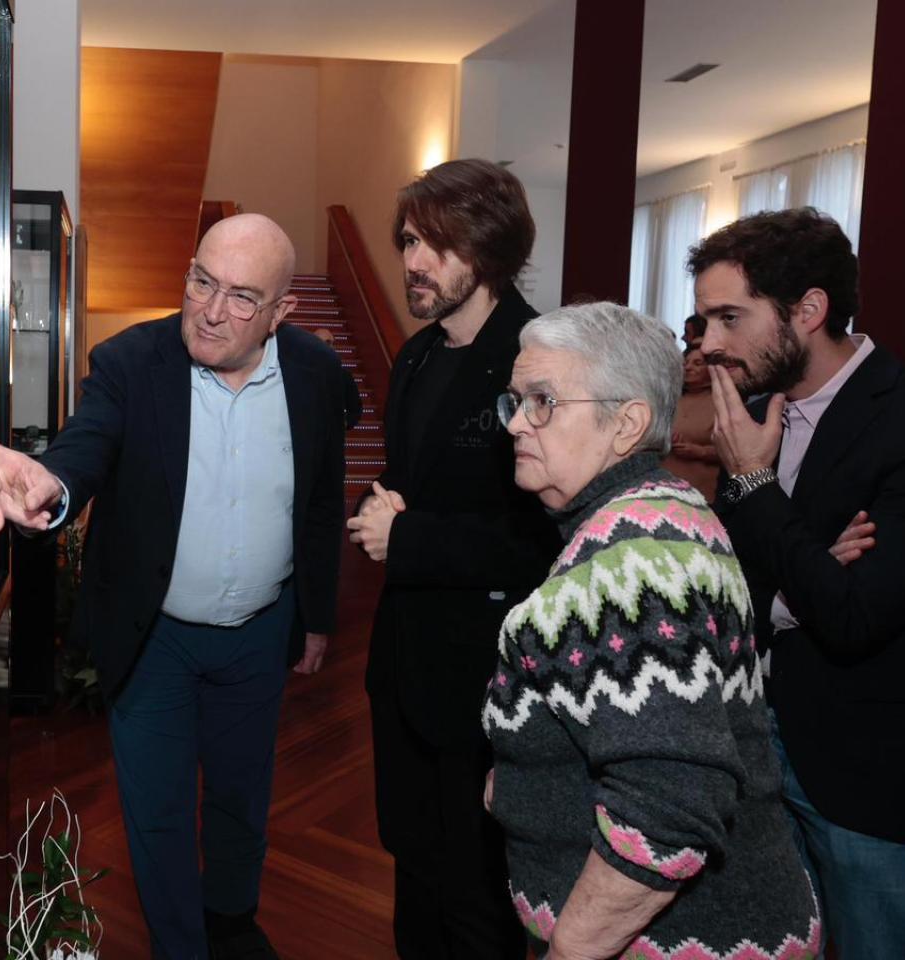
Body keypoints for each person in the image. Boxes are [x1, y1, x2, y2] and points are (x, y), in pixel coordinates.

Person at [0, 213, 346, 960]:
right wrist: (51, 487)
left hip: (260, 633)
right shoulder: (131, 361)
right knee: (158, 812)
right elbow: (84, 448)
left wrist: (317, 617)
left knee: (241, 798)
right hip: (154, 638)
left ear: (281, 311)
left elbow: (323, 502)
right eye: (202, 281)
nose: (211, 310)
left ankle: (231, 924)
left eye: (240, 297)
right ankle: (179, 947)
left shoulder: (315, 374)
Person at [692, 208, 905, 958]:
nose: (707, 344)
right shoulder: (754, 418)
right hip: (756, 763)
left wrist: (756, 484)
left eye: (730, 318)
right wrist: (800, 585)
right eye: (703, 321)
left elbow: (855, 616)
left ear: (808, 310)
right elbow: (719, 587)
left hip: (879, 783)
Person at [482, 301, 820, 959]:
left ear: (627, 423)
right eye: (516, 402)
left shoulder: (634, 566)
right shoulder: (659, 511)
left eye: (543, 402)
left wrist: (569, 951)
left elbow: (667, 815)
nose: (517, 422)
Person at [346, 158, 559, 958]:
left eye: (436, 243)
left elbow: (546, 539)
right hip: (405, 669)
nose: (413, 261)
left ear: (490, 246)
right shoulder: (416, 357)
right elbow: (404, 488)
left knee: (479, 897)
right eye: (408, 241)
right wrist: (382, 514)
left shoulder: (540, 360)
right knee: (414, 872)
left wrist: (408, 537)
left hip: (491, 683)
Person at [660, 346, 718, 499]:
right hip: (665, 487)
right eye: (686, 363)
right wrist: (666, 437)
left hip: (701, 491)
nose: (688, 367)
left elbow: (736, 452)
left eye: (697, 363)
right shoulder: (670, 399)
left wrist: (700, 451)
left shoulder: (722, 404)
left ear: (712, 369)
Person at [310, 325, 365, 429]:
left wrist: (343, 423)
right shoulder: (301, 371)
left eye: (331, 343)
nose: (329, 347)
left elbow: (355, 408)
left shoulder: (344, 375)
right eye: (325, 343)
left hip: (331, 433)